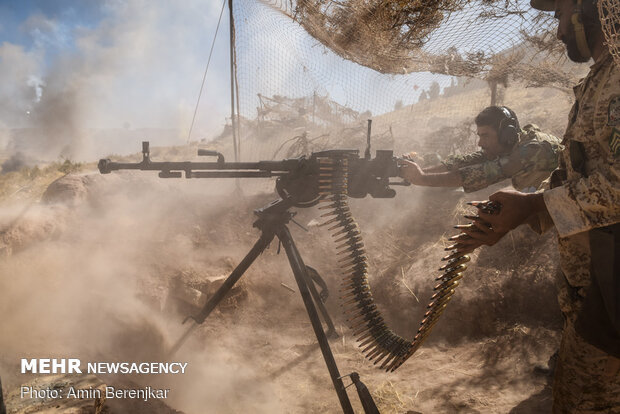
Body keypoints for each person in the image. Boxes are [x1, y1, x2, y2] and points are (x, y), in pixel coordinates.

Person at [455, 0, 620, 412]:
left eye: (561, 16)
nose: (559, 31)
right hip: (596, 291)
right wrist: (531, 206)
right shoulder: (600, 81)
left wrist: (532, 205)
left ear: (588, 10)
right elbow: (577, 177)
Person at [400, 106, 562, 193]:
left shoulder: (531, 150)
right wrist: (419, 171)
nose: (480, 143)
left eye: (485, 136)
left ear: (507, 134)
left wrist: (422, 179)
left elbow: (481, 173)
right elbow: (463, 162)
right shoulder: (511, 145)